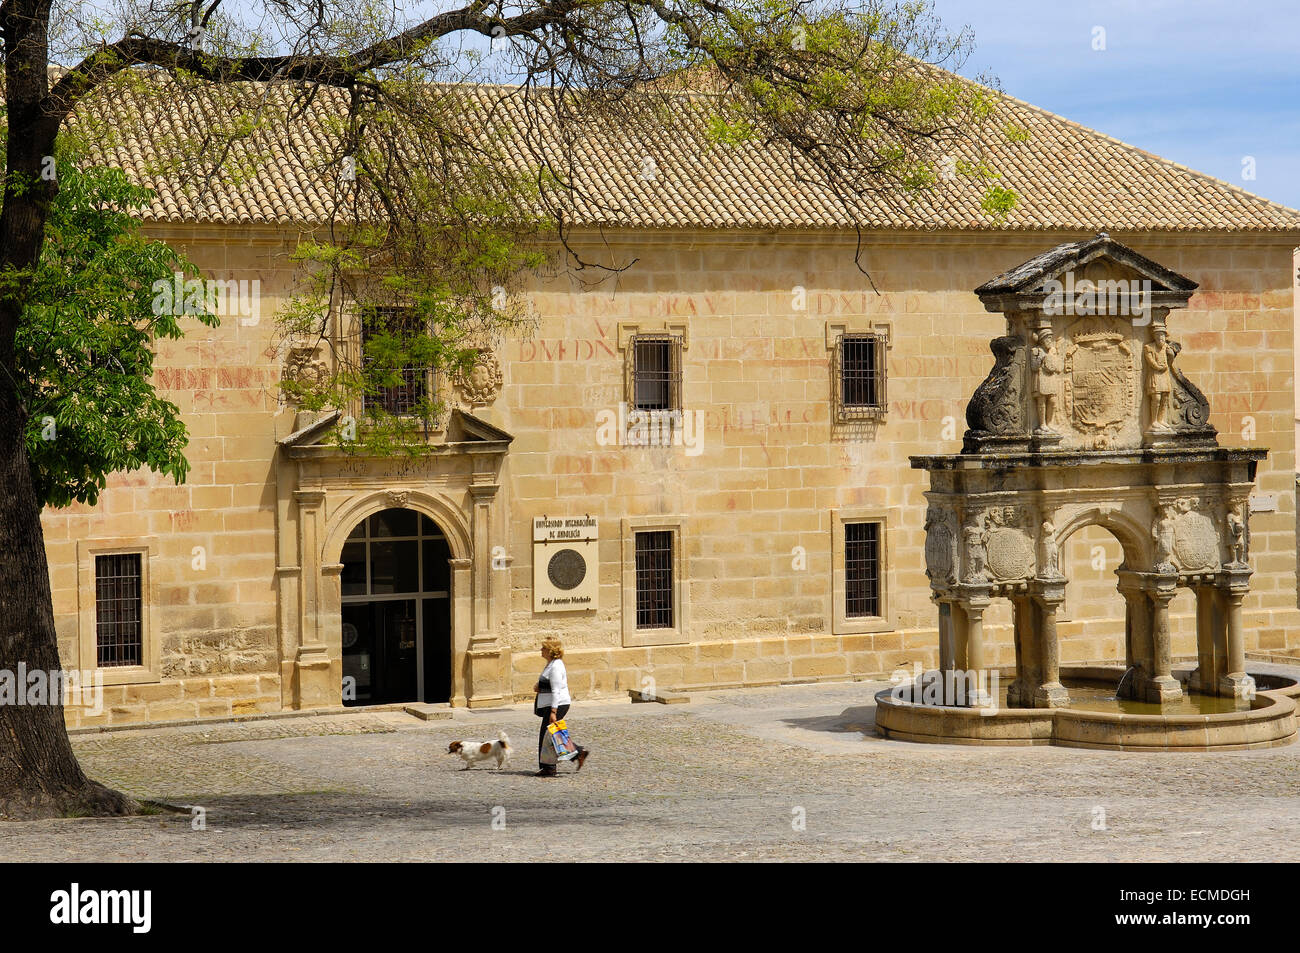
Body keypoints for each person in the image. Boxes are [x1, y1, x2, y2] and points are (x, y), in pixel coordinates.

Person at [534, 638, 589, 777]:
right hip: (552, 704)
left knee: (547, 736)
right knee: (553, 735)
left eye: (543, 648)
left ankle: (549, 767)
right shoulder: (550, 664)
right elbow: (549, 684)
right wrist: (539, 687)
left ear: (550, 650)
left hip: (557, 705)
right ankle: (578, 754)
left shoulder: (556, 666)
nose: (541, 650)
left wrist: (553, 711)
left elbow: (556, 690)